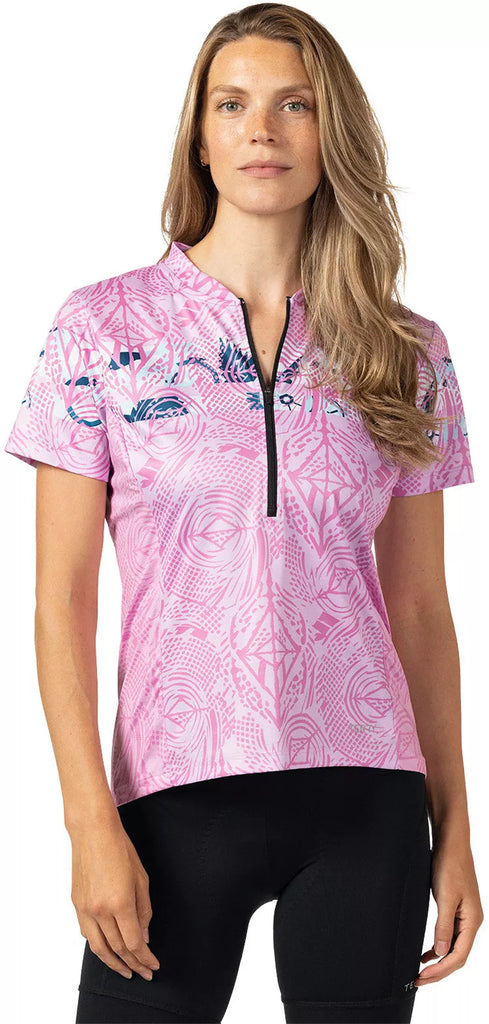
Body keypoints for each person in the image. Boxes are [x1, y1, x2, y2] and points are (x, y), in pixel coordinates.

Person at [3, 4, 484, 1023]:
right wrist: (87, 822)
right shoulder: (101, 329)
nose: (261, 129)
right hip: (172, 798)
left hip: (367, 795)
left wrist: (456, 829)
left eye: (293, 104)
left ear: (331, 131)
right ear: (200, 137)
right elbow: (60, 602)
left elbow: (421, 611)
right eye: (232, 104)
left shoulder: (406, 350)